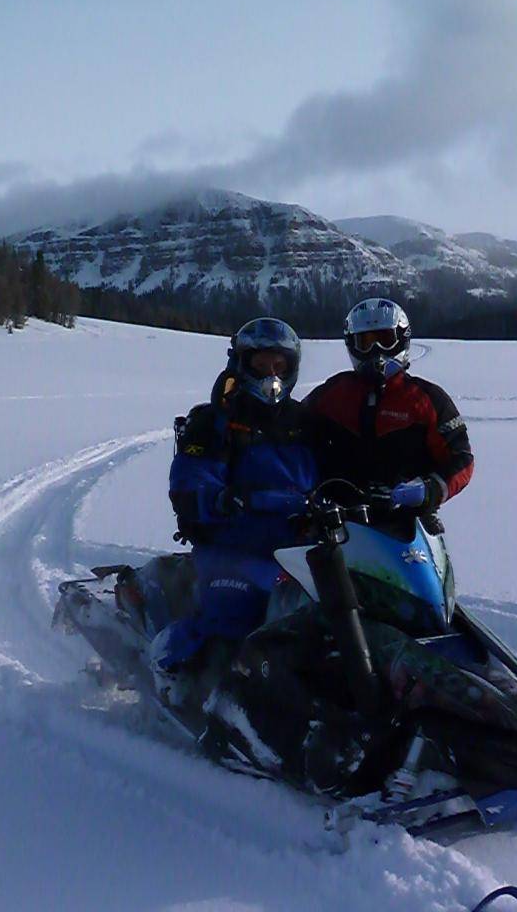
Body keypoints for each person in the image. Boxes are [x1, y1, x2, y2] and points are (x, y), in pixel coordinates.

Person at [123, 317, 317, 717]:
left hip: (300, 549)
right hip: (233, 545)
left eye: (280, 366)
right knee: (237, 616)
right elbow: (189, 481)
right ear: (242, 365)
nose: (272, 376)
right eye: (262, 365)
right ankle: (176, 668)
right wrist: (224, 499)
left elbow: (335, 472)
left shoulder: (305, 425)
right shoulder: (212, 422)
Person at [304, 298, 473, 518]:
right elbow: (292, 430)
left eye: (385, 339)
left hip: (408, 520)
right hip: (339, 520)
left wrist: (429, 489)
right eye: (366, 342)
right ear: (352, 345)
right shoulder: (331, 394)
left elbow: (461, 458)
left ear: (402, 340)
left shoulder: (427, 399)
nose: (376, 350)